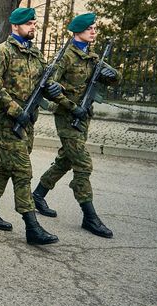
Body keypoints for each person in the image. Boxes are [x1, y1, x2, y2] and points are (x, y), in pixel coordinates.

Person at [0, 7, 60, 246]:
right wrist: (15, 109)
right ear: (15, 26)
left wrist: (54, 87)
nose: (34, 26)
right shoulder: (1, 52)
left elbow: (46, 78)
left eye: (35, 23)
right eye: (29, 23)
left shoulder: (34, 52)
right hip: (8, 120)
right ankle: (32, 226)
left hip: (29, 120)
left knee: (7, 166)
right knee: (23, 171)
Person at [34, 13, 120, 238]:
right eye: (90, 28)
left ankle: (38, 194)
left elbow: (114, 76)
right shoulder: (66, 56)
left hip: (84, 116)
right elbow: (49, 85)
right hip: (67, 118)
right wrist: (71, 106)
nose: (94, 31)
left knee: (65, 160)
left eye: (94, 28)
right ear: (78, 31)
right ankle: (89, 216)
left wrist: (113, 74)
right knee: (82, 164)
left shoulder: (91, 57)